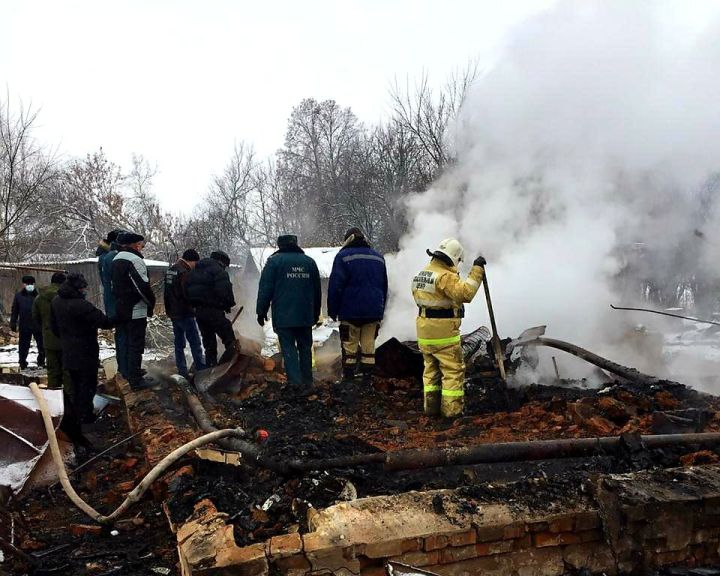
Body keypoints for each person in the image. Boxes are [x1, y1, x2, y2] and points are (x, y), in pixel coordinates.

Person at [411, 238, 486, 419]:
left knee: (431, 371)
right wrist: (477, 270)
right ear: (454, 257)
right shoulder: (445, 276)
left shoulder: (422, 274)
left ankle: (431, 409)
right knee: (452, 371)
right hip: (443, 333)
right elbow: (466, 293)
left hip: (424, 332)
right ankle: (452, 412)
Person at [256, 235, 321, 392]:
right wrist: (315, 312)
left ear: (280, 245)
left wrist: (261, 311)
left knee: (288, 348)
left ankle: (295, 383)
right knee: (305, 347)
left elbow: (265, 289)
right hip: (305, 315)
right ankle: (308, 381)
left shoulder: (274, 262)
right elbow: (317, 291)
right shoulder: (309, 262)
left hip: (284, 316)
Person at [327, 227, 388, 385]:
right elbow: (384, 286)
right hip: (373, 311)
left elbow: (335, 286)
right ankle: (367, 380)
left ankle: (348, 379)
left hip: (350, 311)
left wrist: (332, 310)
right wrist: (381, 310)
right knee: (369, 347)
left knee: (350, 346)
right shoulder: (378, 257)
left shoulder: (342, 257)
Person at [51, 273, 114, 424]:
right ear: (78, 288)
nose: (85, 291)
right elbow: (104, 322)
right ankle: (85, 416)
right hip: (86, 351)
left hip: (68, 350)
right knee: (88, 385)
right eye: (83, 288)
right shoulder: (82, 305)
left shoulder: (56, 301)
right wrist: (120, 316)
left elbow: (53, 326)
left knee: (75, 385)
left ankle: (76, 414)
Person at [111, 231, 155, 391]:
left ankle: (131, 372)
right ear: (136, 245)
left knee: (128, 343)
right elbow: (142, 287)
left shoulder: (116, 259)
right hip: (135, 309)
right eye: (141, 245)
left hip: (122, 307)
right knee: (136, 345)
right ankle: (136, 380)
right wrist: (151, 303)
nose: (141, 248)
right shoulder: (134, 260)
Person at [185, 250, 236, 367]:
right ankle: (232, 364)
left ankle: (211, 367)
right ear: (221, 262)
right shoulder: (219, 272)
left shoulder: (194, 272)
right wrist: (228, 305)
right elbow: (225, 292)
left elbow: (188, 292)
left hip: (199, 312)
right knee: (228, 337)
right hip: (214, 311)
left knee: (209, 343)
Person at [164, 249, 206, 377]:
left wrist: (169, 311)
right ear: (191, 261)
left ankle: (182, 370)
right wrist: (195, 306)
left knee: (179, 344)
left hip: (173, 313)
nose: (195, 266)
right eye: (195, 263)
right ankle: (201, 369)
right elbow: (187, 294)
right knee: (195, 342)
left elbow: (167, 293)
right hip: (185, 313)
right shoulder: (184, 273)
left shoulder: (171, 270)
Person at [32, 271, 71, 390]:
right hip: (67, 338)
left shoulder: (39, 298)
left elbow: (35, 317)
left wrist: (46, 328)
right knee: (67, 370)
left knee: (52, 370)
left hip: (49, 338)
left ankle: (53, 394)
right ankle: (68, 395)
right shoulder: (67, 296)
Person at [99, 229, 128, 378]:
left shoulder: (104, 256)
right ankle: (125, 369)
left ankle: (124, 368)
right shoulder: (112, 257)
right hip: (117, 303)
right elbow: (114, 283)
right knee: (123, 336)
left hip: (112, 303)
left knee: (121, 335)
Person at [10, 275, 45, 370]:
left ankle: (41, 362)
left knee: (41, 345)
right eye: (27, 283)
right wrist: (13, 322)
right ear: (24, 284)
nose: (30, 285)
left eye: (31, 284)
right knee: (23, 345)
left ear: (34, 284)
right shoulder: (19, 296)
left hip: (38, 324)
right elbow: (15, 310)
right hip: (24, 324)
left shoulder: (39, 295)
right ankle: (22, 362)